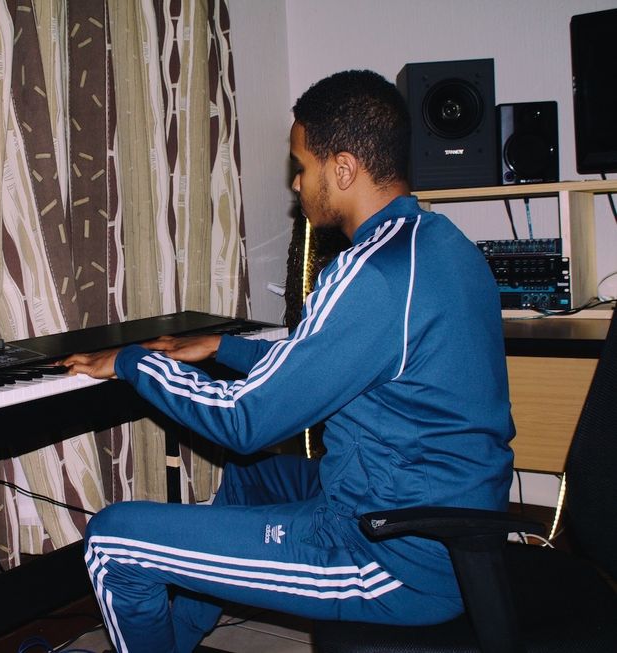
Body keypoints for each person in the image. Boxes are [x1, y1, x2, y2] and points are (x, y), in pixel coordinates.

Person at [61, 69, 513, 653]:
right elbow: (330, 357)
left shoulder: (368, 273)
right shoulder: (441, 244)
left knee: (112, 540)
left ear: (344, 168)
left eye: (303, 166)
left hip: (392, 556)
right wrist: (224, 347)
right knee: (253, 480)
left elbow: (244, 422)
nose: (298, 183)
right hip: (452, 529)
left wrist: (131, 362)